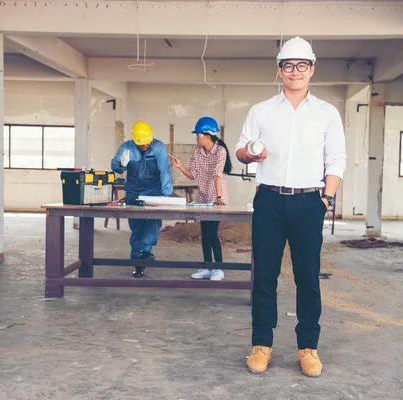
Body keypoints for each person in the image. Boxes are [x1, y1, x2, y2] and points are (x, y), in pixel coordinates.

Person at [234, 37, 346, 377]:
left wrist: (325, 198)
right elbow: (239, 150)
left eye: (302, 65)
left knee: (307, 277)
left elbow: (336, 159)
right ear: (279, 70)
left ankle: (307, 347)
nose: (295, 72)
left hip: (309, 201)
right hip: (269, 200)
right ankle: (261, 345)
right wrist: (251, 154)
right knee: (264, 275)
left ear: (312, 69)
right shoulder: (262, 111)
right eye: (288, 65)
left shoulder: (327, 113)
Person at [169, 117, 232, 281]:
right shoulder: (198, 151)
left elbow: (217, 174)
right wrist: (179, 165)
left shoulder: (221, 151)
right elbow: (192, 175)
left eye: (198, 135)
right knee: (204, 233)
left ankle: (219, 268)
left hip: (218, 198)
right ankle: (207, 267)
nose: (196, 138)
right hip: (203, 197)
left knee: (212, 233)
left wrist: (219, 197)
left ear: (208, 135)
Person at [111, 121, 173, 278]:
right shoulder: (127, 148)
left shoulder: (158, 147)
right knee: (137, 227)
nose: (144, 145)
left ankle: (140, 257)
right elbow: (115, 167)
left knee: (153, 222)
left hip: (154, 191)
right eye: (141, 143)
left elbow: (165, 171)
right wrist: (121, 164)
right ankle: (142, 259)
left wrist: (166, 196)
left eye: (146, 142)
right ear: (134, 140)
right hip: (133, 193)